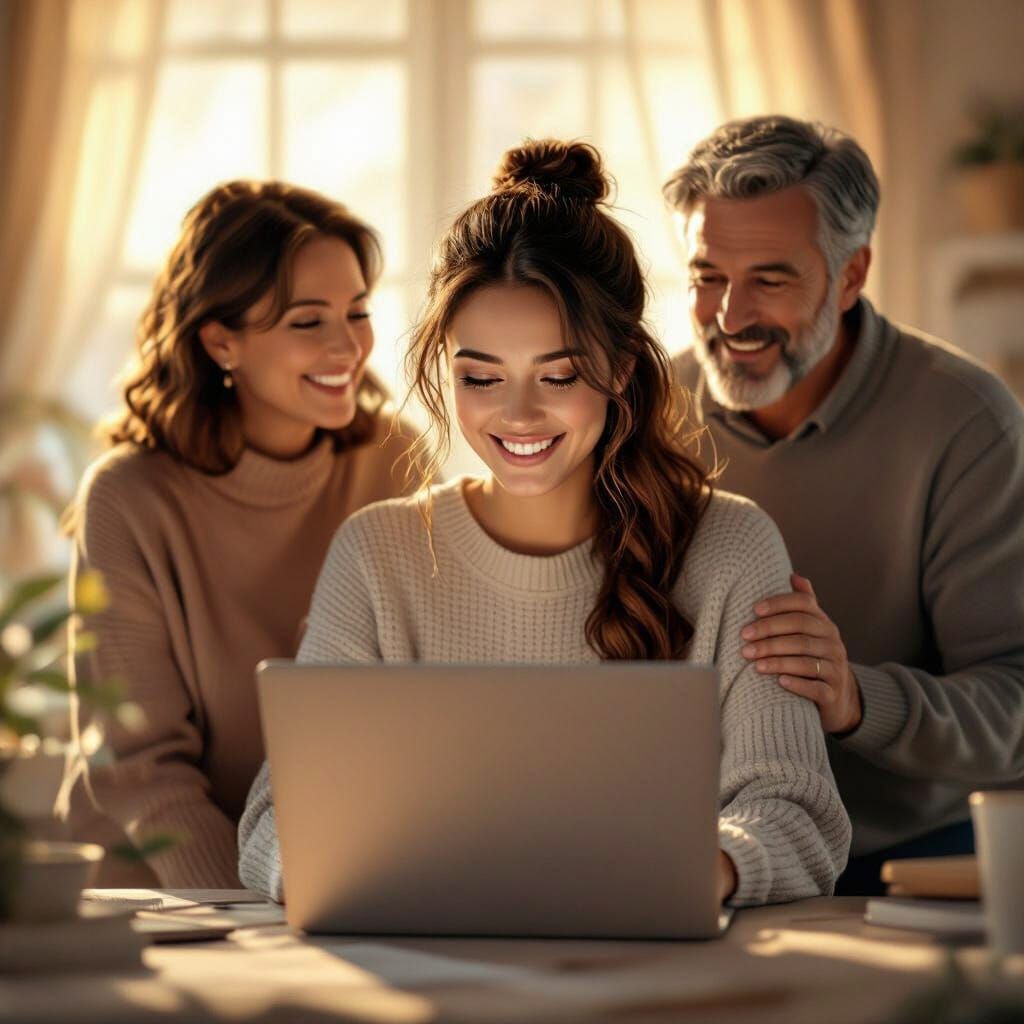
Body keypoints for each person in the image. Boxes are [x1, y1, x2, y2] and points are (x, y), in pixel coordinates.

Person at [238, 140, 850, 906]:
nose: (518, 414)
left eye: (557, 376)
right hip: (427, 942)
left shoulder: (731, 546)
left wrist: (683, 872)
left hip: (656, 953)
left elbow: (796, 814)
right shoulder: (376, 553)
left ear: (621, 367)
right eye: (480, 377)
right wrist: (358, 870)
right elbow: (274, 819)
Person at [665, 115, 1024, 893]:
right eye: (708, 276)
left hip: (908, 862)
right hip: (704, 848)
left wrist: (858, 698)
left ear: (852, 273)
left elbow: (1014, 703)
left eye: (770, 280)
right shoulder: (645, 408)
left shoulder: (969, 423)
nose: (729, 317)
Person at [67, 181, 417, 887]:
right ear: (221, 341)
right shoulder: (128, 499)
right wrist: (253, 909)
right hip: (167, 896)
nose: (348, 346)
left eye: (357, 312)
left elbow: (421, 708)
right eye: (307, 322)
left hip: (336, 879)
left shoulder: (394, 460)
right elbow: (142, 769)